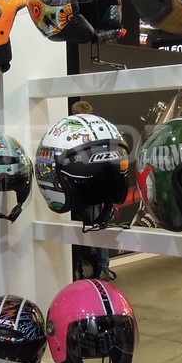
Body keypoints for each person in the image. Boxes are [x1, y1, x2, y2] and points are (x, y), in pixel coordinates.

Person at [69, 99, 113, 280]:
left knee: (97, 227)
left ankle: (103, 267)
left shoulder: (99, 134)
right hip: (78, 187)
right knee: (84, 227)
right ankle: (91, 265)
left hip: (95, 186)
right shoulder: (71, 135)